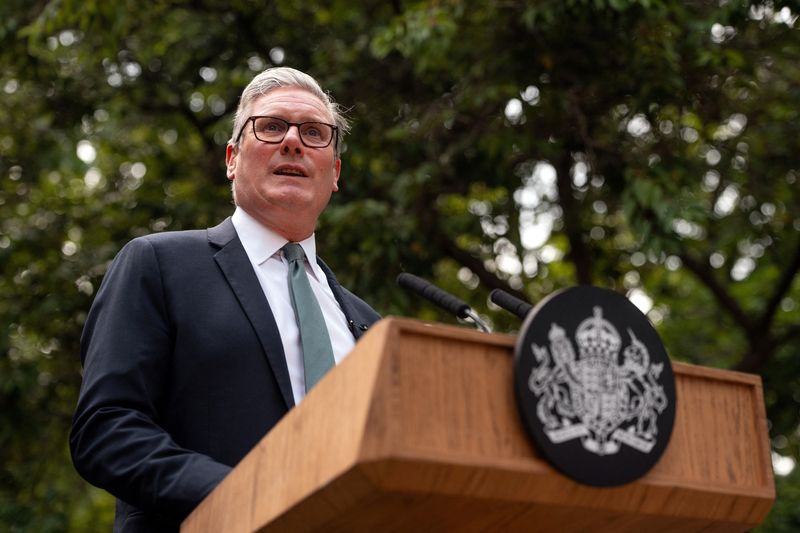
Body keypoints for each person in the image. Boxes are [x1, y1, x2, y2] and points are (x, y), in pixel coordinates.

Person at [70, 67, 381, 532]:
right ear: (233, 158)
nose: (293, 142)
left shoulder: (367, 324)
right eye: (272, 126)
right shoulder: (159, 264)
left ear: (333, 172)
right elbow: (106, 429)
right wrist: (242, 497)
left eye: (315, 133)